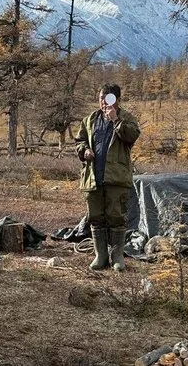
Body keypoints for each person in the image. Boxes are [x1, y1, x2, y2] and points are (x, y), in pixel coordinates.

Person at [76, 83, 140, 272]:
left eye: (109, 98)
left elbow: (131, 137)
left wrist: (115, 120)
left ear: (118, 100)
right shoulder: (90, 120)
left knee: (116, 216)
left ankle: (117, 256)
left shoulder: (127, 118)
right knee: (96, 217)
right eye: (102, 98)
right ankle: (100, 255)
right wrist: (85, 150)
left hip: (117, 177)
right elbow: (80, 140)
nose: (104, 102)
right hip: (93, 176)